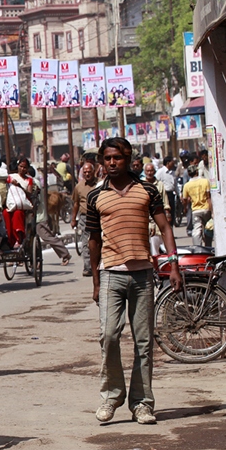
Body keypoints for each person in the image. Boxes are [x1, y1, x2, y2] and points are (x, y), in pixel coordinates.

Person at [86, 137, 182, 425]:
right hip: (110, 274)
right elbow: (93, 241)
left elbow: (165, 228)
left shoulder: (147, 190)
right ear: (102, 162)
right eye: (107, 159)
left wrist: (173, 265)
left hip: (142, 276)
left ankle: (142, 403)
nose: (112, 163)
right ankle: (112, 396)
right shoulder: (96, 196)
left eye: (117, 158)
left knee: (143, 341)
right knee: (109, 335)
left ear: (127, 159)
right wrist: (95, 281)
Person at [32, 171, 72, 266]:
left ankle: (64, 254)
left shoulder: (34, 183)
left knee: (47, 236)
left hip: (39, 216)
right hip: (27, 216)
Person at [71, 161, 99, 277]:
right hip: (85, 217)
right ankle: (88, 267)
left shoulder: (100, 185)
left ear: (94, 172)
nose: (87, 174)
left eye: (89, 172)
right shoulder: (79, 187)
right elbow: (76, 204)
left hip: (98, 216)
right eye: (85, 172)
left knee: (99, 241)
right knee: (86, 242)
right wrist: (73, 219)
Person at [3, 158, 34, 249]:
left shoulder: (29, 180)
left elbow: (29, 192)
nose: (22, 169)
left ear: (27, 168)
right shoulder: (11, 177)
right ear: (18, 166)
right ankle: (9, 239)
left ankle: (18, 239)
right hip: (11, 204)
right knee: (5, 213)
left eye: (25, 167)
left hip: (22, 207)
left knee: (18, 213)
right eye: (21, 166)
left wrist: (19, 185)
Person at [181, 164, 213, 247]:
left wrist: (185, 209)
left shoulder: (187, 185)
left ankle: (197, 248)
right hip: (206, 209)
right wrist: (212, 210)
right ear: (197, 172)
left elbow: (184, 200)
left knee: (197, 230)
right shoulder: (205, 181)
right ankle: (208, 246)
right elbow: (209, 197)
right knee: (208, 228)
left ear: (188, 174)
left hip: (196, 211)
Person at [143, 162, 171, 256]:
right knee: (153, 248)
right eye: (147, 171)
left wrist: (167, 214)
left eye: (151, 170)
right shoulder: (141, 184)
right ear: (144, 172)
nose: (149, 173)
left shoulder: (160, 185)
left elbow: (165, 201)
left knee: (165, 245)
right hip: (148, 220)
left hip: (159, 216)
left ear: (154, 171)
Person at [156, 156, 179, 227]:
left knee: (172, 213)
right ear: (168, 163)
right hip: (164, 195)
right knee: (166, 213)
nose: (173, 164)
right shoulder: (160, 172)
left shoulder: (172, 173)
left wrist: (179, 194)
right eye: (172, 162)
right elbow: (156, 182)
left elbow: (175, 185)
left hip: (171, 194)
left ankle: (171, 230)